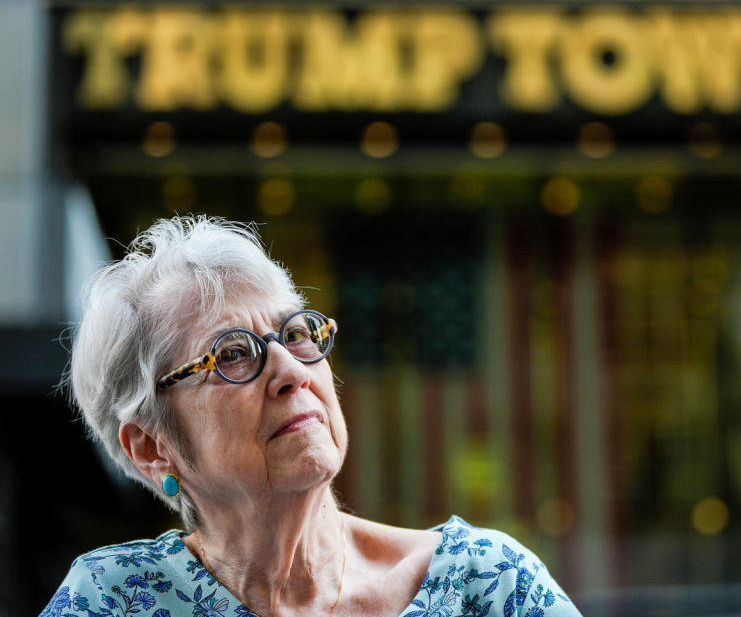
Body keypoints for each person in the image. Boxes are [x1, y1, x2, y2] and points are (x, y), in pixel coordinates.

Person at [40, 216, 580, 617]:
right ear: (151, 447)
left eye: (296, 334)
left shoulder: (486, 585)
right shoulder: (113, 600)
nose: (291, 371)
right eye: (231, 354)